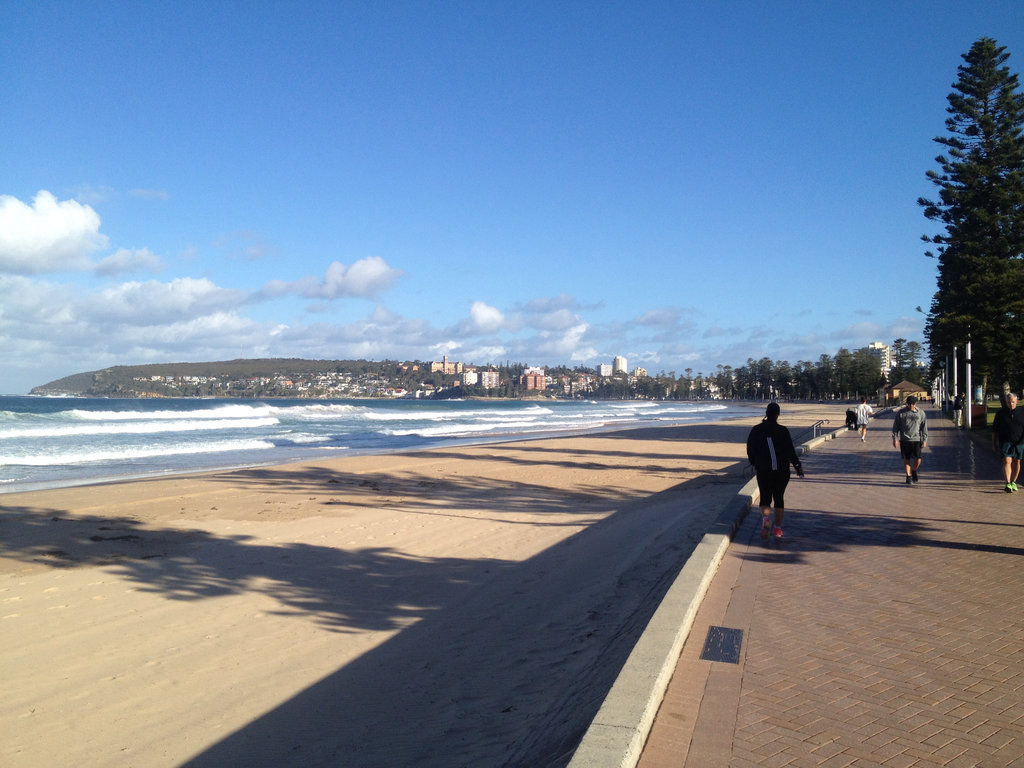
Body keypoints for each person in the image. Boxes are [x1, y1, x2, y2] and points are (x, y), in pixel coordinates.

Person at [746, 402, 804, 540]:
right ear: (778, 414)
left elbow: (750, 449)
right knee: (779, 498)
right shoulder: (783, 430)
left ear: (766, 413)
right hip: (782, 470)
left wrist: (755, 462)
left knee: (765, 498)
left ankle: (766, 519)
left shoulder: (756, 429)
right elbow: (790, 451)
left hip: (764, 469)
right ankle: (777, 529)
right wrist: (797, 466)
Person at [991, 393, 1024, 493]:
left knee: (1017, 462)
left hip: (1019, 442)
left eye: (1013, 402)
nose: (1011, 404)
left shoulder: (1022, 412)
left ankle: (1014, 481)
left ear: (1017, 402)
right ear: (1006, 402)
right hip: (1005, 441)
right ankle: (1008, 483)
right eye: (1009, 402)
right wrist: (994, 443)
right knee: (1007, 461)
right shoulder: (1000, 414)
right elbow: (994, 430)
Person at [892, 395, 928, 485]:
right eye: (909, 404)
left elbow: (924, 427)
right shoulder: (901, 413)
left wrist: (925, 439)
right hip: (905, 439)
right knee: (906, 458)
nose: (911, 406)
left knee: (918, 459)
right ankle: (908, 476)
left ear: (916, 404)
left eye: (912, 404)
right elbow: (896, 427)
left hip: (917, 439)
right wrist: (895, 438)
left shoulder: (921, 413)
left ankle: (914, 470)